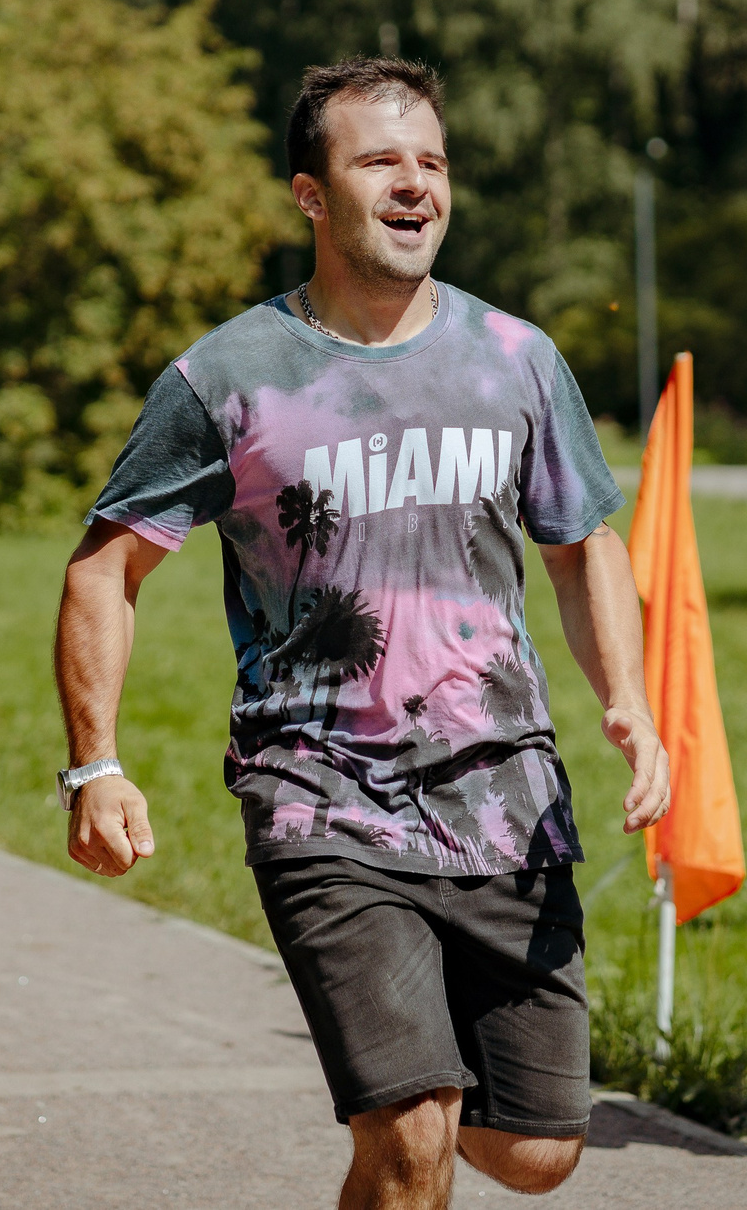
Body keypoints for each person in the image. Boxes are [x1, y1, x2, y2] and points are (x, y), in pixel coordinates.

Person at [51, 58, 671, 1210]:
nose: (413, 183)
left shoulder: (517, 361)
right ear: (310, 194)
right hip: (321, 792)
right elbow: (104, 568)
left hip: (503, 795)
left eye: (430, 161)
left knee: (535, 1154)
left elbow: (583, 544)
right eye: (379, 160)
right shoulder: (229, 376)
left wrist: (625, 698)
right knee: (413, 1130)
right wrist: (95, 761)